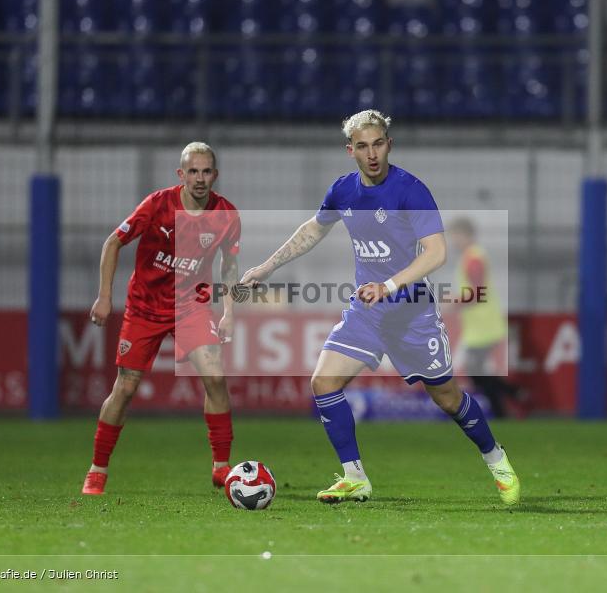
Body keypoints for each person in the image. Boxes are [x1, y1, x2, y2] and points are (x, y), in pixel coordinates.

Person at [241, 110, 520, 505]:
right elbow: (312, 230)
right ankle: (355, 477)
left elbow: (436, 253)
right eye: (362, 146)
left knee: (448, 399)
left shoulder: (411, 190)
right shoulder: (343, 191)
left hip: (412, 313)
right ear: (350, 150)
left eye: (378, 144)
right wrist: (267, 267)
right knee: (323, 382)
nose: (371, 153)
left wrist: (389, 285)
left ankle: (496, 458)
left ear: (389, 144)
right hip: (367, 312)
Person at [82, 142, 240, 495]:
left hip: (192, 307)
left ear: (215, 175)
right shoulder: (157, 205)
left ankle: (221, 467)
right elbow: (112, 243)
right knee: (126, 387)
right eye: (193, 172)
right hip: (145, 307)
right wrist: (105, 296)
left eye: (206, 171)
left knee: (215, 378)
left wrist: (229, 311)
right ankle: (98, 469)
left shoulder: (226, 214)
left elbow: (229, 267)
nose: (200, 179)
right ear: (180, 174)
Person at [448, 217, 526, 419]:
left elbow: (477, 292)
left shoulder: (474, 259)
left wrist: (452, 303)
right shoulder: (471, 257)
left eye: (455, 236)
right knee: (477, 372)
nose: (453, 241)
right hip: (479, 325)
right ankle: (510, 399)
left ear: (466, 235)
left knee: (476, 372)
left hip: (484, 325)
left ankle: (508, 402)